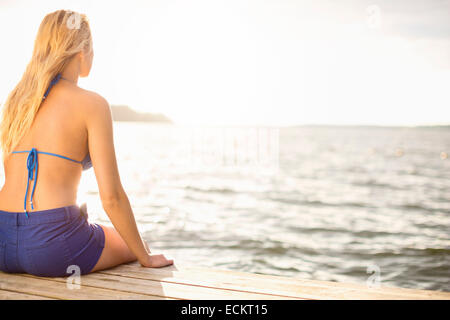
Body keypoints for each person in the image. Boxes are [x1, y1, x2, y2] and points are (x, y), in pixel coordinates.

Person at [0, 9, 173, 277]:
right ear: (82, 52)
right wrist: (145, 257)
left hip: (3, 241)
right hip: (53, 246)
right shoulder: (93, 104)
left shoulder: (17, 102)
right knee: (135, 245)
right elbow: (111, 198)